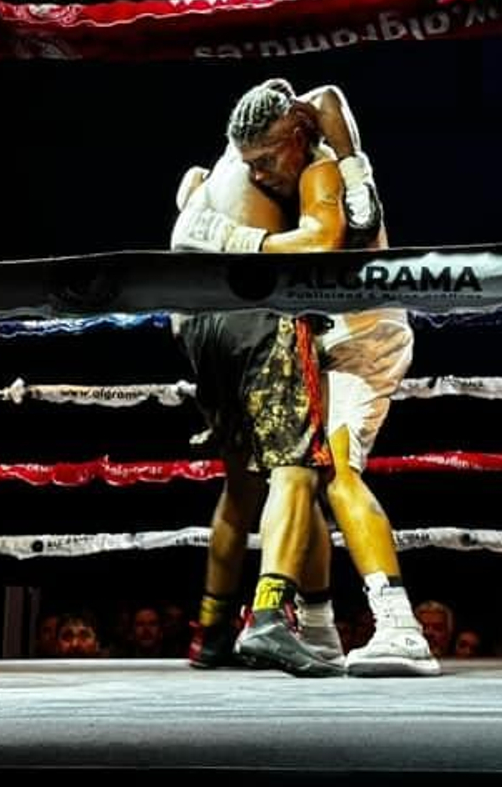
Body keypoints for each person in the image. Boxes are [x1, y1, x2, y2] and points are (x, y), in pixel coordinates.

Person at [174, 79, 438, 677]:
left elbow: (320, 239)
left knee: (336, 474)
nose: (262, 175)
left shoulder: (322, 172)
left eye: (268, 159)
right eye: (252, 165)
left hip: (362, 339)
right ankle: (317, 628)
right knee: (308, 476)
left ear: (296, 138)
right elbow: (193, 188)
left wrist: (231, 236)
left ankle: (400, 625)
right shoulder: (270, 174)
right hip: (321, 336)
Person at [170, 150, 342, 677]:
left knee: (239, 484)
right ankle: (269, 614)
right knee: (295, 468)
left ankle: (212, 631)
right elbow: (326, 239)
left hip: (196, 323)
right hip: (264, 316)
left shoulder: (203, 177)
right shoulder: (307, 161)